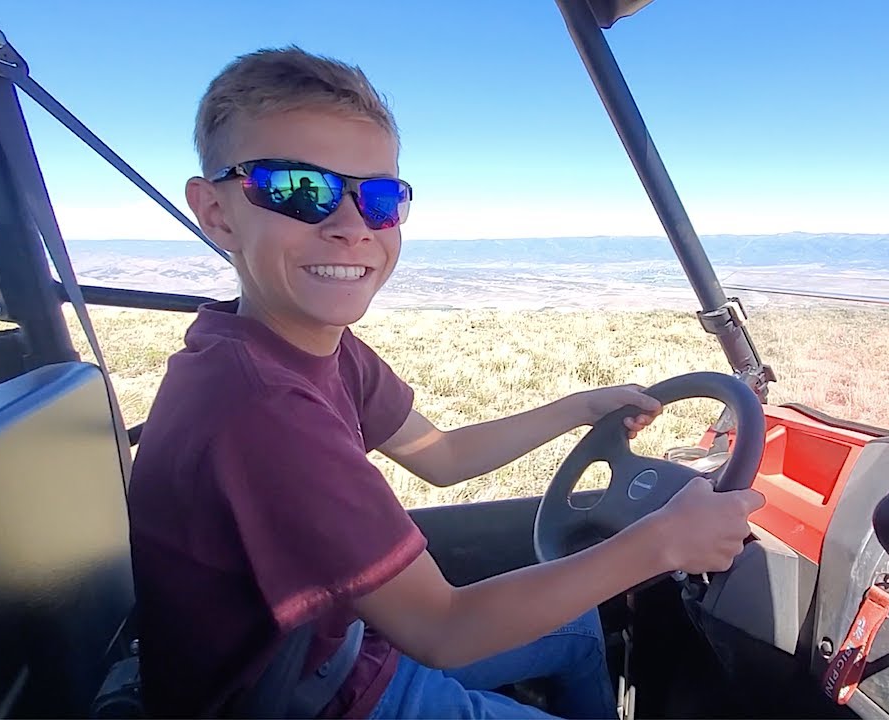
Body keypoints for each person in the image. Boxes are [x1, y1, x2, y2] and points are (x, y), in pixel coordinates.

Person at [126, 46, 763, 719]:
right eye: (297, 190)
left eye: (377, 197)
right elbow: (445, 630)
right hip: (301, 698)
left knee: (579, 632)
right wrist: (662, 541)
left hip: (330, 651)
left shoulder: (305, 346)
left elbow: (442, 457)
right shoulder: (261, 408)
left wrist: (581, 408)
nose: (350, 227)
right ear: (217, 212)